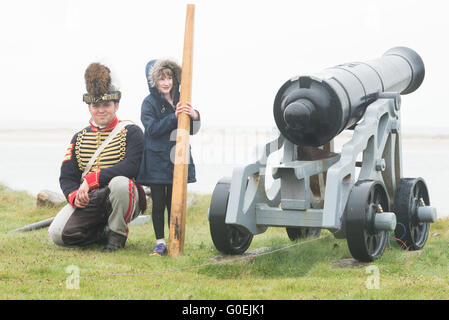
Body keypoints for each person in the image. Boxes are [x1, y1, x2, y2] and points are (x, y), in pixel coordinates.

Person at [48, 62, 145, 252]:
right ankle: (102, 232)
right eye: (96, 105)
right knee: (58, 235)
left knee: (120, 183)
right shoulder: (79, 137)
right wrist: (75, 195)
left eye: (106, 105)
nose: (101, 110)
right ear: (89, 108)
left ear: (116, 105)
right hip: (91, 200)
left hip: (122, 197)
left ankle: (117, 236)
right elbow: (67, 176)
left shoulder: (131, 132)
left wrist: (93, 179)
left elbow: (132, 167)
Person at [136, 59, 201, 256]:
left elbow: (193, 129)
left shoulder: (182, 97)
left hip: (177, 159)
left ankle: (175, 237)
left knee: (175, 201)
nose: (166, 82)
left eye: (169, 77)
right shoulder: (148, 103)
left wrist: (194, 114)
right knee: (158, 202)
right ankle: (160, 242)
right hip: (156, 160)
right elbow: (153, 129)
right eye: (161, 78)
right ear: (153, 81)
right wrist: (174, 116)